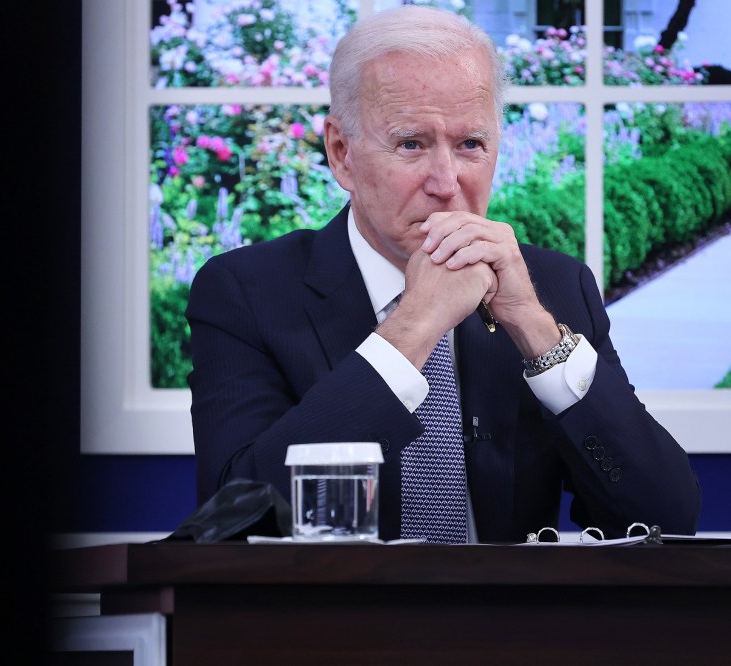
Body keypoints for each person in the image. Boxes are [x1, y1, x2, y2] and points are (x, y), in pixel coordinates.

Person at [186, 4, 701, 544]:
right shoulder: (245, 291)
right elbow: (233, 519)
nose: (446, 182)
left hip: (509, 626)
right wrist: (412, 329)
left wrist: (534, 329)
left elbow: (666, 518)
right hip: (334, 624)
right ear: (341, 154)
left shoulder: (554, 288)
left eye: (470, 145)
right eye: (411, 143)